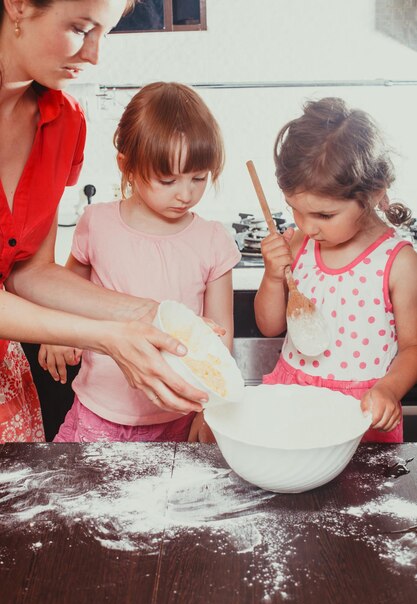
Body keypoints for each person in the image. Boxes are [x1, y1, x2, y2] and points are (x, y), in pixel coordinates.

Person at [0, 0, 211, 443]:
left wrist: (150, 315)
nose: (95, 55)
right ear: (18, 5)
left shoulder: (65, 123)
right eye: (80, 29)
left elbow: (27, 271)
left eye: (105, 33)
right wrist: (107, 336)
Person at [39, 81, 240, 443]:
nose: (185, 193)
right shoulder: (96, 223)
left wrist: (211, 409)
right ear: (127, 166)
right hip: (97, 411)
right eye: (168, 180)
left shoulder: (213, 241)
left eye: (198, 178)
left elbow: (220, 339)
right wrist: (55, 336)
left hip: (177, 415)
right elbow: (62, 293)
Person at [254, 97, 417, 443]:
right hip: (294, 399)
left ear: (373, 194)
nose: (307, 226)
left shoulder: (397, 261)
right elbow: (270, 327)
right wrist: (271, 276)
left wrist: (389, 389)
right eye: (295, 210)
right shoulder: (299, 244)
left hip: (361, 411)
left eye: (324, 216)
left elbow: (413, 347)